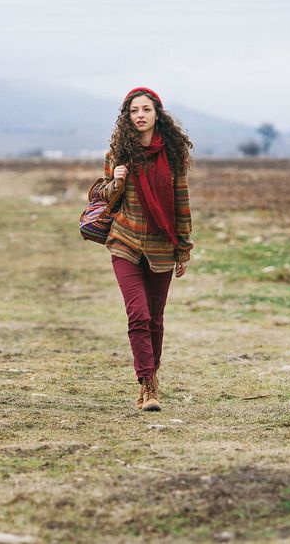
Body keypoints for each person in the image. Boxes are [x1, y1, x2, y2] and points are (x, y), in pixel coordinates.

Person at [98, 86, 194, 412]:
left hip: (162, 247)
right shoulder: (118, 154)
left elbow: (182, 203)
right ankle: (148, 385)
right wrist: (117, 180)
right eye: (134, 110)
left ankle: (151, 380)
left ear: (157, 115)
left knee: (155, 319)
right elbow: (103, 197)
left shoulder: (173, 156)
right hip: (125, 242)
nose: (140, 115)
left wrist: (183, 248)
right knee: (138, 314)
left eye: (146, 110)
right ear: (127, 116)